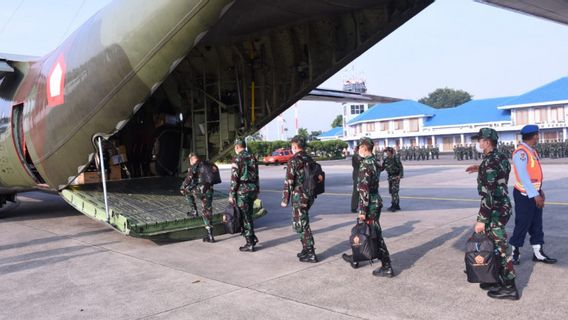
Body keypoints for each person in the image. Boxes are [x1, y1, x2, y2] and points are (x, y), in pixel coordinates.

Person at [466, 128, 518, 300]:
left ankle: (510, 287)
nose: (478, 143)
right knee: (493, 246)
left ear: (487, 142)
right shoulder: (500, 157)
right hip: (501, 206)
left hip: (493, 210)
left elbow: (490, 193)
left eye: (480, 140)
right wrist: (479, 168)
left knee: (501, 248)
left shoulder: (489, 163)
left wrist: (481, 220)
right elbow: (497, 173)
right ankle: (494, 278)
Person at [343, 137, 394, 277]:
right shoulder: (374, 162)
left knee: (374, 234)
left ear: (364, 148)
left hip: (369, 204)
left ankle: (387, 265)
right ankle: (356, 257)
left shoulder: (365, 165)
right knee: (365, 232)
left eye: (359, 147)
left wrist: (362, 211)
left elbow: (364, 190)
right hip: (375, 201)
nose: (358, 150)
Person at [509, 125, 557, 265]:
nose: (538, 137)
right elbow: (523, 176)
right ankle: (514, 253)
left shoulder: (532, 151)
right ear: (534, 136)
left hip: (534, 192)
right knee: (522, 224)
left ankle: (538, 253)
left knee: (537, 224)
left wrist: (539, 191)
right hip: (524, 195)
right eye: (537, 134)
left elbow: (534, 175)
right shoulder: (521, 152)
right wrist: (535, 195)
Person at [281, 135, 318, 263]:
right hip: (309, 195)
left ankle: (310, 251)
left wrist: (285, 199)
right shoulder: (309, 158)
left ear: (295, 146)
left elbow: (289, 181)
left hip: (299, 195)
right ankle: (305, 248)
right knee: (302, 221)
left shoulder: (294, 160)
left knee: (302, 223)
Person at [229, 138, 260, 252]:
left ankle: (250, 243)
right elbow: (256, 175)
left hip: (242, 191)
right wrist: (257, 189)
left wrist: (232, 194)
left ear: (237, 147)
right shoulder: (252, 157)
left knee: (244, 217)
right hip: (252, 189)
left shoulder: (237, 158)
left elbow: (234, 178)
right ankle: (252, 237)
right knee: (249, 215)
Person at [180, 153, 215, 243]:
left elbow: (188, 179)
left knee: (186, 191)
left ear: (192, 160)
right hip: (210, 191)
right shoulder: (208, 164)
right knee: (207, 211)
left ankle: (194, 211)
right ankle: (210, 235)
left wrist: (182, 187)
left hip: (200, 191)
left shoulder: (195, 166)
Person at [383, 147, 403, 212]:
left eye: (387, 151)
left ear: (391, 152)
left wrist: (400, 175)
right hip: (390, 177)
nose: (386, 153)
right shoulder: (385, 159)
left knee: (395, 192)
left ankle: (394, 206)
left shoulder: (395, 158)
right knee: (392, 192)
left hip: (396, 177)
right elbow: (382, 167)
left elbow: (401, 167)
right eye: (386, 152)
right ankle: (397, 205)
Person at [351, 145, 361, 213]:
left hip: (361, 175)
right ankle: (354, 207)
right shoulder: (355, 156)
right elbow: (360, 162)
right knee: (356, 192)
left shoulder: (359, 155)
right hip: (357, 175)